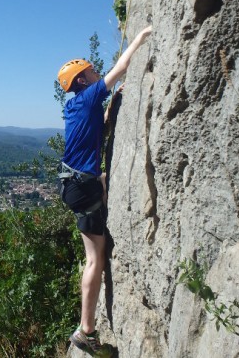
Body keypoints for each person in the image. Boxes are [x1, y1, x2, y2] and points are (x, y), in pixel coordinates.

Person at [57, 26, 152, 356]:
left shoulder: (76, 106)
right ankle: (86, 330)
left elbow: (96, 130)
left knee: (91, 256)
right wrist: (141, 36)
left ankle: (86, 328)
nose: (97, 73)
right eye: (91, 71)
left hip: (74, 185)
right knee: (95, 259)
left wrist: (111, 110)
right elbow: (122, 67)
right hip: (82, 186)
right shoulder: (88, 95)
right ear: (82, 80)